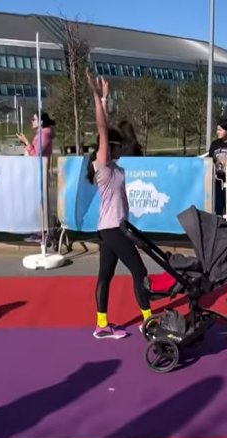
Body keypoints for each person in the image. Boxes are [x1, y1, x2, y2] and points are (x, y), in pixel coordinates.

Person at [86, 69, 152, 339]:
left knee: (106, 275)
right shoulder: (102, 166)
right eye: (117, 146)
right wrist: (99, 98)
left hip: (112, 227)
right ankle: (149, 320)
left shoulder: (115, 167)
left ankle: (102, 325)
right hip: (112, 229)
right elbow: (102, 128)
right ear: (109, 148)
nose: (120, 149)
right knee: (141, 271)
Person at [17, 112, 56, 243]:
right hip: (38, 173)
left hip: (40, 173)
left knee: (41, 204)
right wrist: (26, 144)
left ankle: (44, 233)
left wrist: (27, 142)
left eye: (33, 119)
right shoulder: (41, 135)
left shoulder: (43, 135)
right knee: (39, 203)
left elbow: (37, 156)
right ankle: (40, 232)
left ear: (41, 122)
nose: (31, 121)